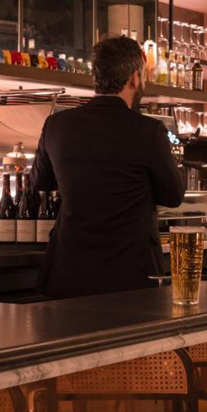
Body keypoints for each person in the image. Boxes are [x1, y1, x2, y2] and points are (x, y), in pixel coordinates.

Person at [32, 35, 185, 299]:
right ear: (135, 77)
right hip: (132, 280)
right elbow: (174, 196)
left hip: (68, 276)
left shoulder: (56, 125)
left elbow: (38, 184)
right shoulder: (148, 131)